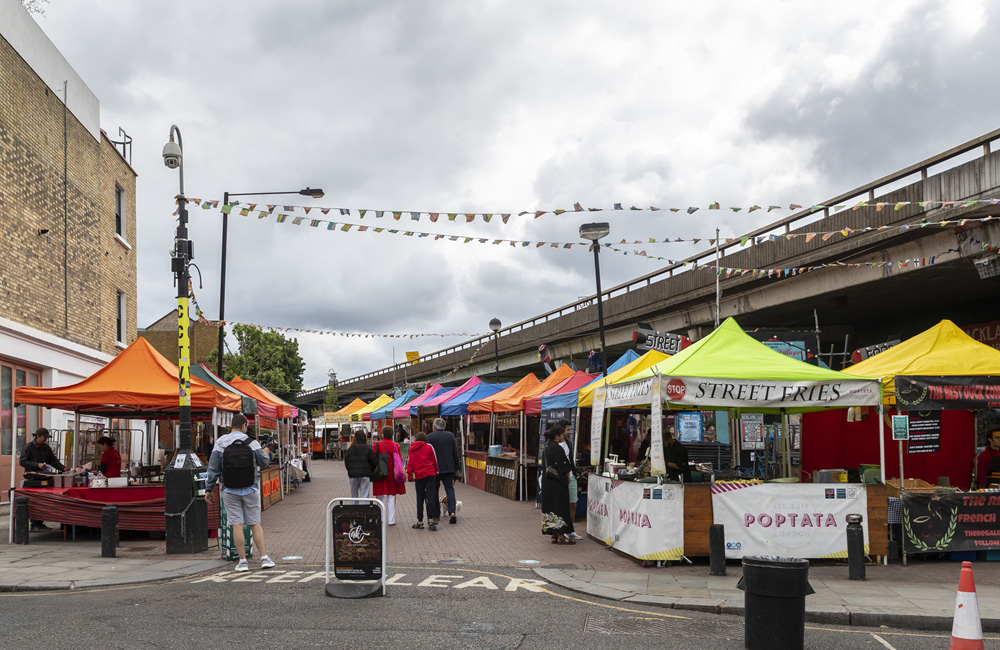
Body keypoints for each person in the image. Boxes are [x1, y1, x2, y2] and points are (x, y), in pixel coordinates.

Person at [205, 414, 276, 572]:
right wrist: (266, 452)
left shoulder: (220, 442)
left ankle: (242, 561)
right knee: (254, 523)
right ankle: (264, 558)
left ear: (232, 426)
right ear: (244, 426)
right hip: (251, 488)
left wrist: (209, 489)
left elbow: (213, 468)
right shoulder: (252, 442)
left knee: (236, 524)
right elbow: (263, 462)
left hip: (229, 490)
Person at [19, 427, 66, 530]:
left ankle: (40, 522)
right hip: (33, 478)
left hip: (44, 477)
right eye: (45, 437)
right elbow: (22, 461)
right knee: (34, 501)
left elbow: (53, 460)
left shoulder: (46, 448)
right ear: (38, 436)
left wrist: (63, 468)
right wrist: (37, 465)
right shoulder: (29, 447)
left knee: (43, 501)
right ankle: (35, 524)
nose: (46, 440)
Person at [541, 424, 576, 544]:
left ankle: (554, 535)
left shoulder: (546, 448)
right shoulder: (558, 448)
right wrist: (568, 479)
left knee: (551, 508)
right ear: (557, 436)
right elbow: (564, 467)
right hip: (558, 483)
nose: (563, 437)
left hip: (547, 482)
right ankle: (562, 535)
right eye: (561, 435)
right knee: (560, 507)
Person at [428, 417, 462, 524]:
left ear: (434, 427)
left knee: (434, 491)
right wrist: (457, 467)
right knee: (450, 489)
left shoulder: (430, 437)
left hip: (434, 468)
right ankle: (452, 512)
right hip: (449, 467)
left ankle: (436, 515)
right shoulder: (450, 436)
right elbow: (455, 453)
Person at [372, 426, 405, 525]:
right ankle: (391, 520)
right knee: (391, 497)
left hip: (380, 473)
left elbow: (373, 459)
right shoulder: (396, 446)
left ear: (382, 434)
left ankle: (380, 519)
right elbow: (399, 460)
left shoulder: (376, 445)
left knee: (379, 497)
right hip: (392, 473)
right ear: (392, 435)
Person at [406, 432, 439, 530]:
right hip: (430, 474)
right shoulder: (429, 447)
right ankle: (431, 520)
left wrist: (410, 476)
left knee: (419, 498)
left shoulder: (411, 448)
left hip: (419, 476)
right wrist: (436, 471)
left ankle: (420, 521)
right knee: (431, 497)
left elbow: (409, 463)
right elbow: (434, 460)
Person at [557, 419, 582, 540]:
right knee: (561, 505)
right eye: (567, 429)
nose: (569, 432)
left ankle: (570, 529)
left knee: (573, 503)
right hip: (560, 478)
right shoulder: (553, 444)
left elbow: (570, 459)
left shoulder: (568, 442)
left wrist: (573, 472)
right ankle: (561, 530)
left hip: (571, 476)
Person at [344, 430, 377, 498]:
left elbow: (346, 461)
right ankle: (364, 508)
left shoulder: (350, 449)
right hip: (365, 474)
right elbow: (375, 461)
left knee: (354, 496)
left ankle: (355, 508)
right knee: (364, 496)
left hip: (353, 475)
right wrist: (370, 470)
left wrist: (350, 470)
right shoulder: (368, 448)